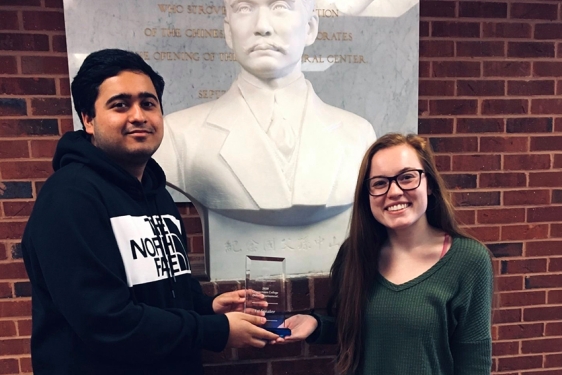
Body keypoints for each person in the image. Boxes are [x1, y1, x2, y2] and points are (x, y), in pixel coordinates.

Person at [21, 49, 278, 375]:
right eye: (120, 104)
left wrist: (207, 308)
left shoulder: (158, 193)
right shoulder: (70, 199)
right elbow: (107, 323)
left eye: (148, 103)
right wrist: (215, 330)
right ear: (88, 119)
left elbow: (160, 291)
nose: (139, 115)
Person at [274, 133, 494, 374]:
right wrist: (315, 324)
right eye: (380, 183)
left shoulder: (469, 260)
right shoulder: (354, 254)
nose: (394, 191)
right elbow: (362, 330)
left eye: (407, 177)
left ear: (429, 183)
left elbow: (473, 361)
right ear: (367, 195)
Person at [153, 0, 376, 226]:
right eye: (244, 8)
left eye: (280, 6)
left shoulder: (358, 134)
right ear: (228, 31)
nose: (262, 26)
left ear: (310, 28)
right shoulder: (177, 135)